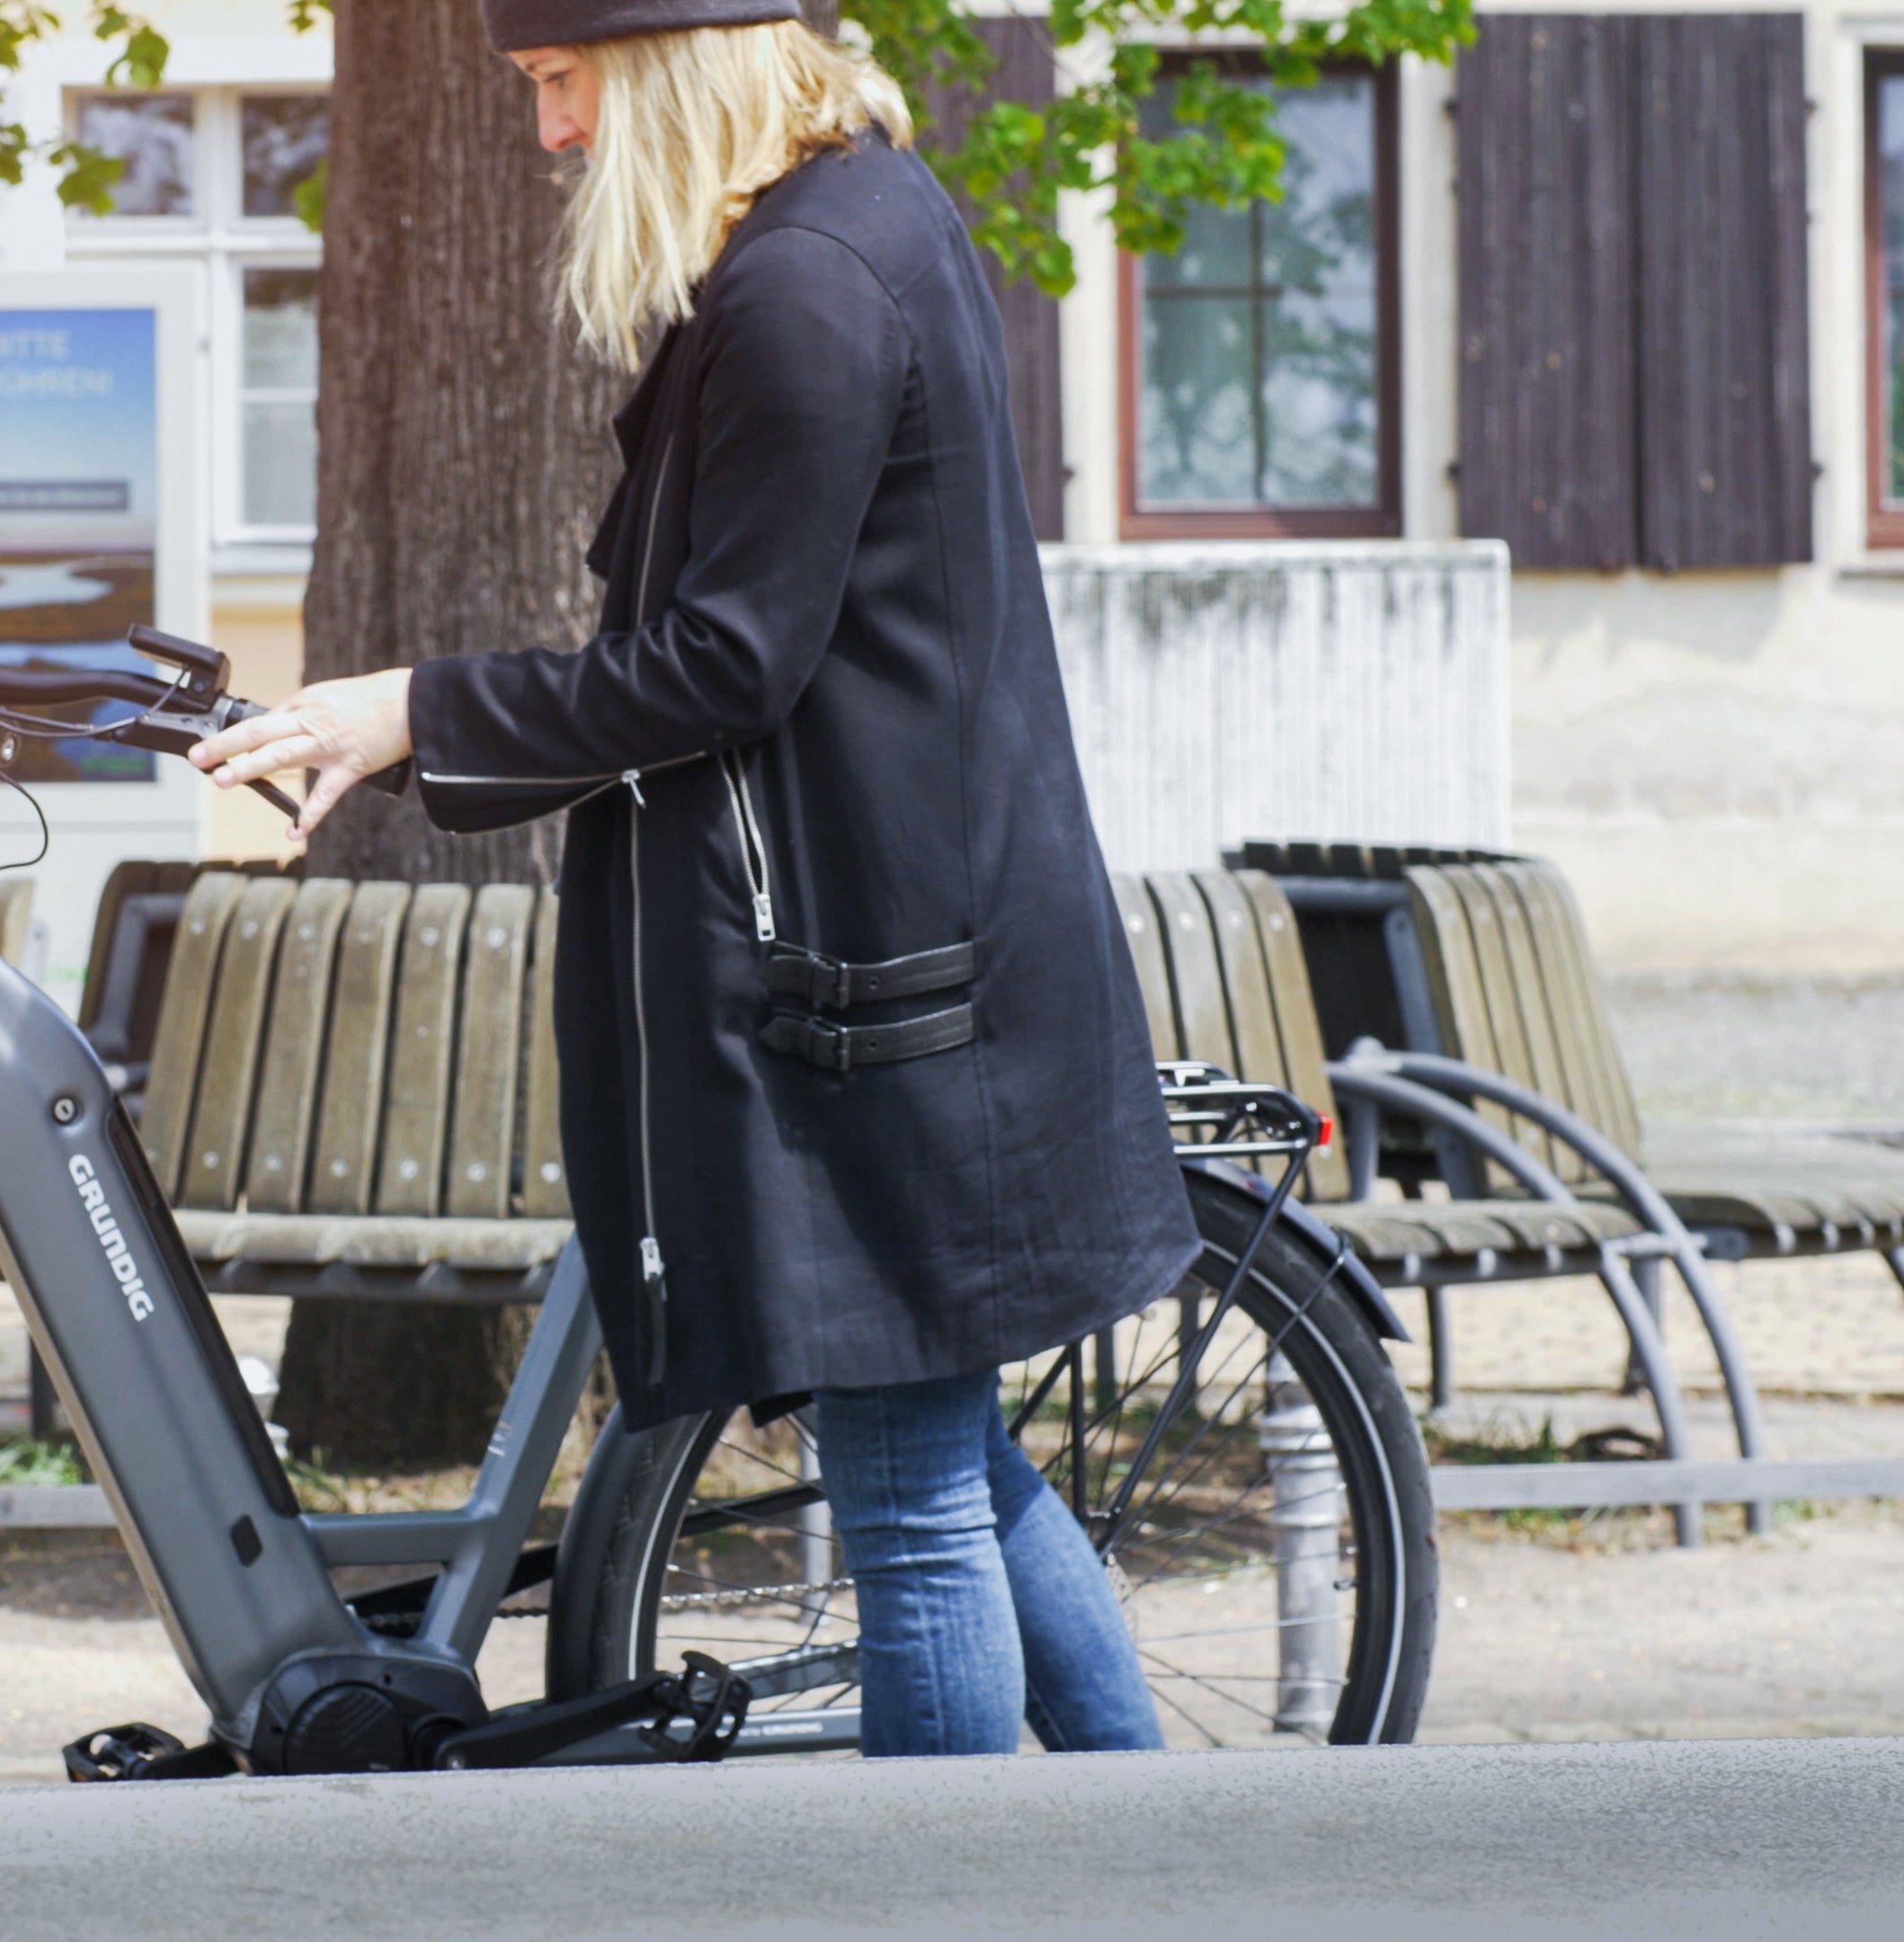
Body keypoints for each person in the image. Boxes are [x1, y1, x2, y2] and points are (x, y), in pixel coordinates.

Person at [188, 0, 1201, 1757]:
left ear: (675, 58)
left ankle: (962, 1900)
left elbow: (724, 664)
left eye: (566, 83)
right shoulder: (870, 214)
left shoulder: (804, 290)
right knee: (938, 1447)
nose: (554, 136)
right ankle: (1149, 1844)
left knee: (906, 1504)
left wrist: (406, 713)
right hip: (915, 949)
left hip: (874, 997)